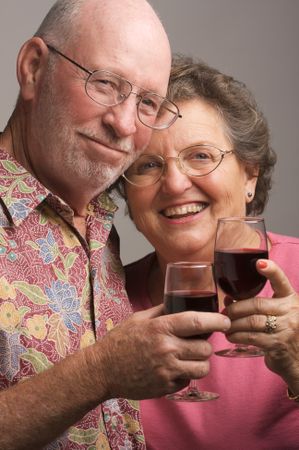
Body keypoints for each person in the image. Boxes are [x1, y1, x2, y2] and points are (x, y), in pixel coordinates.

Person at [0, 4, 233, 449]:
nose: (124, 124)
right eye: (105, 84)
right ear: (33, 69)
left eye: (147, 102)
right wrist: (100, 372)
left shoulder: (100, 223)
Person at [121, 55, 299, 449]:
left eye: (200, 156)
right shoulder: (104, 301)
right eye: (148, 164)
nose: (174, 183)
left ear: (250, 174)